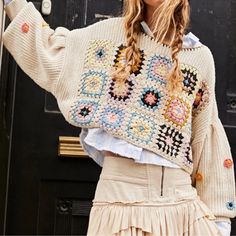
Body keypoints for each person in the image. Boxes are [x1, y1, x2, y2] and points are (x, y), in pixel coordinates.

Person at [2, 0, 236, 235]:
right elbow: (50, 53)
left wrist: (220, 221)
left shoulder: (199, 57)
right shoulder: (107, 37)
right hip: (119, 206)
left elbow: (207, 141)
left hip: (183, 211)